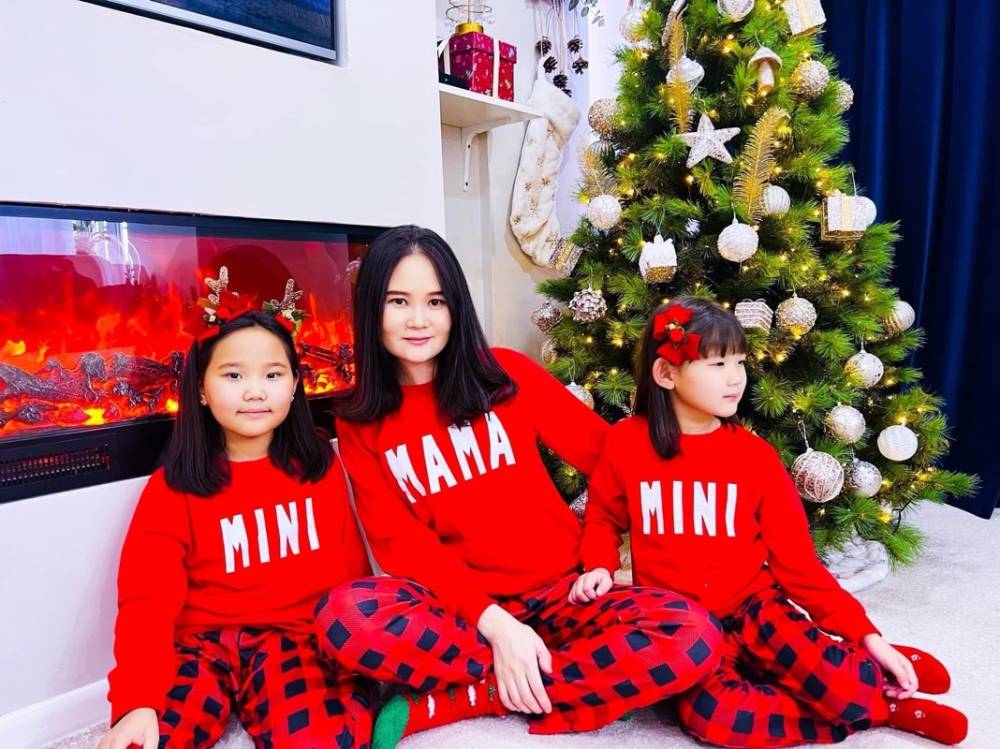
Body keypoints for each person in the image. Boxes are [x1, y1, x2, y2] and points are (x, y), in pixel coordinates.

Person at [315, 226, 724, 747]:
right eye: (399, 301)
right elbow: (403, 546)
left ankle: (476, 694)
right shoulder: (359, 424)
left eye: (435, 301)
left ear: (456, 308)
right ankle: (575, 683)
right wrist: (498, 626)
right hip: (462, 614)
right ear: (373, 307)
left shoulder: (506, 374)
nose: (418, 319)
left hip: (565, 596)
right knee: (344, 616)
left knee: (693, 635)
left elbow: (611, 460)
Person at [575, 297, 968, 746]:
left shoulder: (754, 458)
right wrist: (599, 566)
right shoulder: (626, 444)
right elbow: (603, 517)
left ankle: (871, 668)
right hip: (685, 626)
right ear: (666, 373)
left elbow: (798, 565)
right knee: (715, 719)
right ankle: (882, 706)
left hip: (753, 607)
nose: (735, 378)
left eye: (740, 363)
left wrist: (866, 635)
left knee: (843, 688)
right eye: (718, 363)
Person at [97, 273, 374, 749]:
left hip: (292, 639)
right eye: (233, 375)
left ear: (295, 385)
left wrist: (354, 659)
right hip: (199, 646)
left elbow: (348, 574)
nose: (255, 392)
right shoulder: (172, 488)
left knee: (321, 738)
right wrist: (136, 701)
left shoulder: (319, 468)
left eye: (273, 375)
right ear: (201, 390)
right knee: (147, 739)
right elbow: (146, 601)